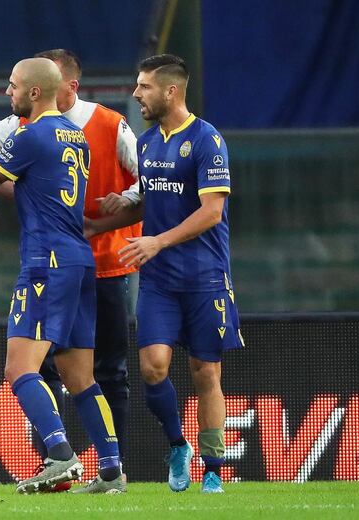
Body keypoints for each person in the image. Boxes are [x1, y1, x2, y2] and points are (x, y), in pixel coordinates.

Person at [86, 54, 244, 494]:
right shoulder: (147, 143)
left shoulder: (208, 140)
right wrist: (101, 224)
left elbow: (211, 213)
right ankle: (178, 445)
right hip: (158, 279)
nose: (137, 94)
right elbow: (152, 205)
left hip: (205, 276)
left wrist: (156, 241)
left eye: (144, 87)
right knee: (153, 368)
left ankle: (213, 468)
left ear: (171, 90)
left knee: (205, 372)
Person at [0, 49, 140, 484]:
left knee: (19, 369)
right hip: (79, 260)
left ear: (34, 91)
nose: (7, 92)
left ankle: (60, 453)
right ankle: (112, 468)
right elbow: (33, 189)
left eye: (13, 85)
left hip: (45, 262)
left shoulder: (30, 135)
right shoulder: (76, 136)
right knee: (79, 374)